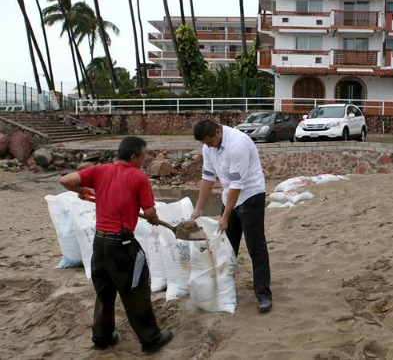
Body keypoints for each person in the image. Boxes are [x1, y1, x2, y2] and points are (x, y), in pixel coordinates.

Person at [59, 136, 173, 353]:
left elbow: (65, 181)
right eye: (143, 156)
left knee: (104, 291)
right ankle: (151, 339)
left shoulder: (100, 170)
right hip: (122, 244)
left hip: (100, 242)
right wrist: (153, 217)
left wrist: (80, 190)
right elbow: (149, 212)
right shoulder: (138, 177)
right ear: (133, 157)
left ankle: (101, 338)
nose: (144, 160)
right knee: (136, 290)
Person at [191, 120, 272, 313]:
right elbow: (208, 177)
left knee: (255, 245)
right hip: (230, 194)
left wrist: (225, 216)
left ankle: (263, 295)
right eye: (204, 144)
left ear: (218, 132)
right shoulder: (208, 147)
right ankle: (225, 290)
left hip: (251, 195)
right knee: (226, 246)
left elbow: (238, 184)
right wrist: (198, 209)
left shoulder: (238, 144)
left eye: (209, 142)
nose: (207, 147)